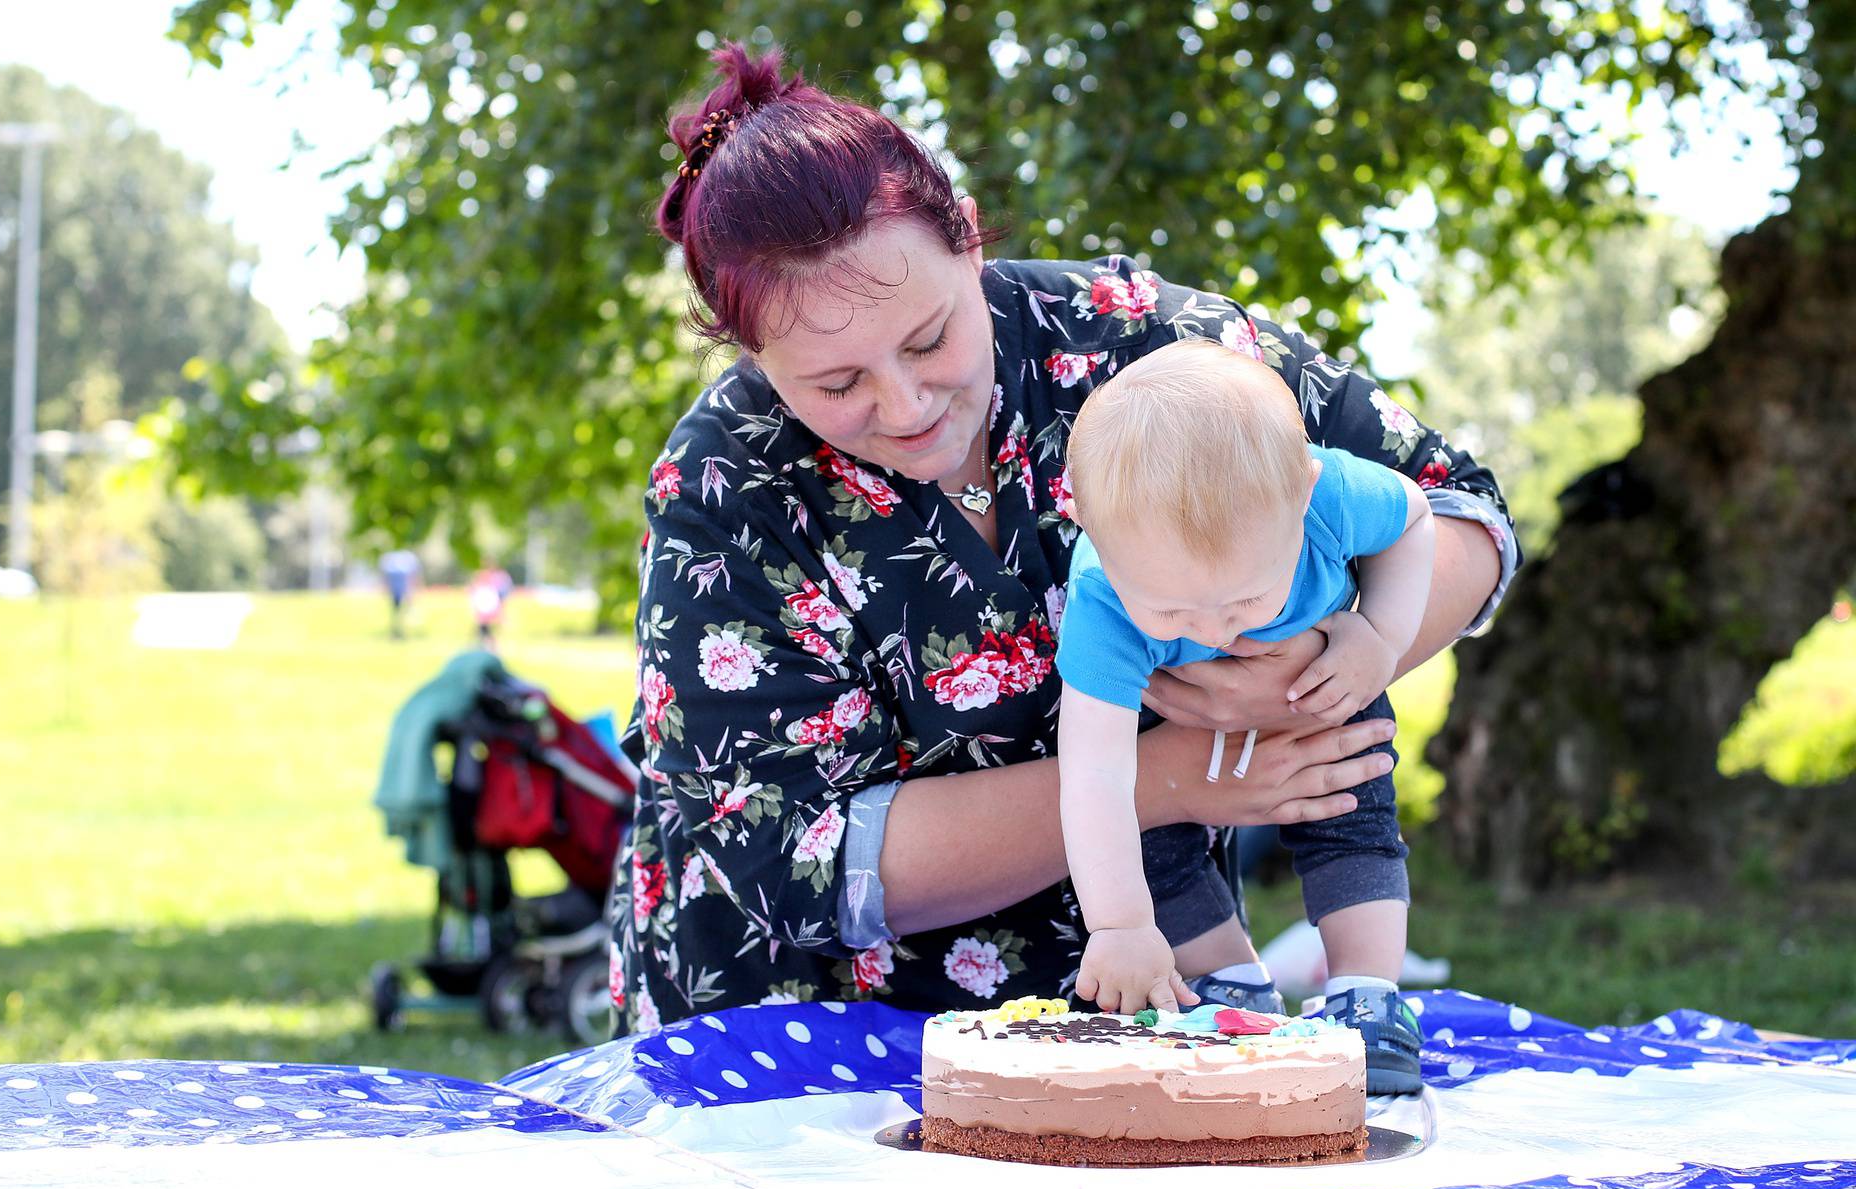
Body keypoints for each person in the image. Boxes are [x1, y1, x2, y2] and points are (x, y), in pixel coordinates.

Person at [606, 42, 1519, 1034]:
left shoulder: (1139, 343)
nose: (905, 403)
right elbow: (799, 861)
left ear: (968, 243)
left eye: (928, 339)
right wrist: (1177, 773)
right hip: (795, 1043)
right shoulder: (724, 490)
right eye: (837, 385)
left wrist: (1324, 661)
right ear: (755, 354)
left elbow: (1464, 511)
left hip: (1147, 1014)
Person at [1056, 339, 1434, 1093]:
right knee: (1152, 836)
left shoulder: (1331, 498)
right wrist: (1121, 926)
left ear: (1304, 494)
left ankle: (1367, 994)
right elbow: (1094, 775)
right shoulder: (1103, 599)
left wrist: (1380, 640)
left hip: (1324, 688)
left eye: (1246, 600)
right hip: (1173, 722)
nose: (1218, 633)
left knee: (1351, 809)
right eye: (1168, 609)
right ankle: (1230, 979)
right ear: (1092, 533)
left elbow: (1418, 519)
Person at [468, 560, 513, 646]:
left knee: (485, 629)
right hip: (484, 606)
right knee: (483, 629)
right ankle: (485, 644)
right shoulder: (481, 576)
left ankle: (487, 644)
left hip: (488, 606)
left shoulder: (496, 577)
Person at [379, 548, 421, 639]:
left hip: (403, 590)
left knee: (402, 612)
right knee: (399, 612)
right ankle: (398, 632)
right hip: (400, 591)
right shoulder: (404, 560)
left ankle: (403, 632)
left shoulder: (393, 560)